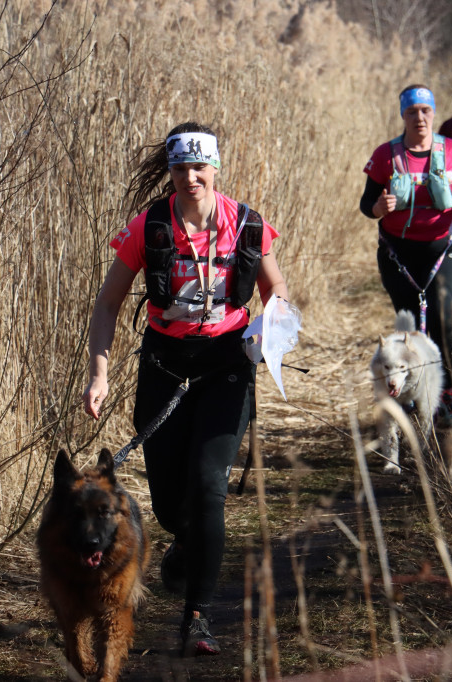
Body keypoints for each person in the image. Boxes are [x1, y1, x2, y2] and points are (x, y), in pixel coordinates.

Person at [83, 122, 290, 657]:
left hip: (226, 367)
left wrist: (270, 328)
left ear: (216, 167)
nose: (191, 177)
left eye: (200, 167)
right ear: (171, 170)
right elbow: (107, 304)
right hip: (165, 366)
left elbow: (276, 291)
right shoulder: (149, 227)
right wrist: (99, 373)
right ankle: (183, 539)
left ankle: (197, 615)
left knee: (207, 490)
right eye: (180, 168)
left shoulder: (246, 224)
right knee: (172, 503)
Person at [358, 85, 452, 426]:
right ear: (403, 116)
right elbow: (367, 204)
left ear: (433, 113)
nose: (419, 118)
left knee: (442, 321)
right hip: (398, 253)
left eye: (425, 111)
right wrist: (378, 206)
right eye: (412, 112)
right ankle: (408, 395)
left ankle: (446, 395)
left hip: (444, 249)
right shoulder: (386, 155)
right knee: (408, 328)